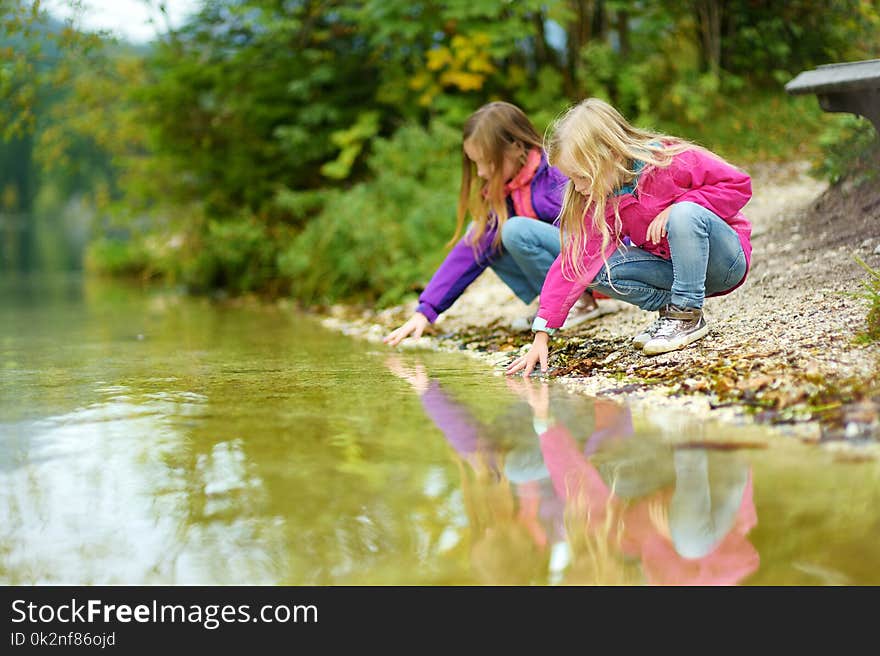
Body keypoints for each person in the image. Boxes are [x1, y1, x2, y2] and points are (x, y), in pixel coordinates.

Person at [507, 98, 753, 376]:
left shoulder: (671, 160)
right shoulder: (604, 199)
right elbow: (573, 262)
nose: (579, 187)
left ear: (610, 155)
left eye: (582, 177)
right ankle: (672, 313)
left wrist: (678, 208)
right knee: (596, 268)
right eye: (573, 179)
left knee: (684, 214)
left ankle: (687, 315)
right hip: (673, 272)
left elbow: (738, 184)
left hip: (723, 261)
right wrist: (542, 333)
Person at [384, 101, 617, 347]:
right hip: (569, 270)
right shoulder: (503, 192)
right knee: (482, 236)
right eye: (475, 163)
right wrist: (426, 310)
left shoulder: (557, 174)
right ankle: (552, 305)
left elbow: (606, 221)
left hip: (603, 263)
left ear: (516, 148)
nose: (481, 172)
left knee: (514, 230)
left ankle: (579, 302)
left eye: (486, 162)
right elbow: (469, 251)